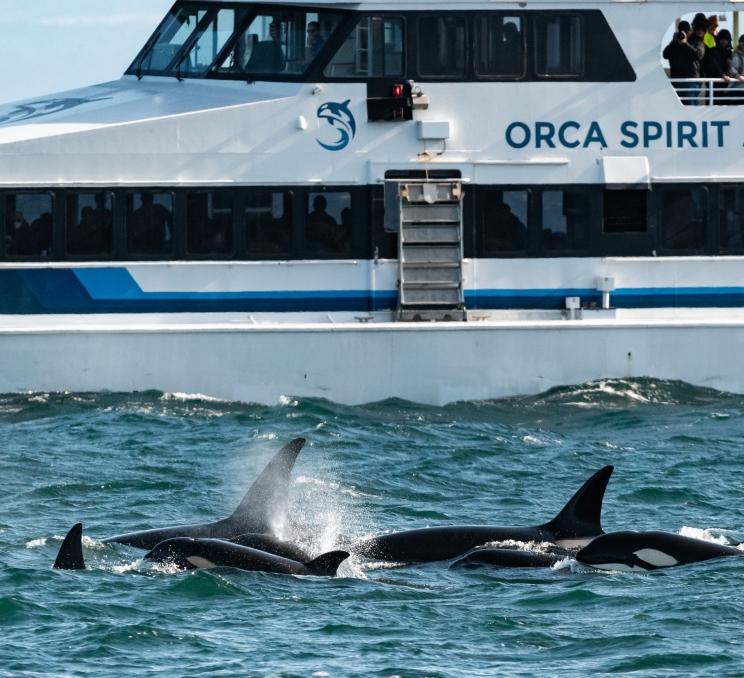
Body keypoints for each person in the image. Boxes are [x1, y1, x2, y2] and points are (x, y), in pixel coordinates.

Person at [663, 20, 703, 104]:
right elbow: (665, 54)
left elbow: (698, 55)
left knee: (691, 109)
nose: (684, 33)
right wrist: (673, 41)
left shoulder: (697, 42)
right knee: (676, 110)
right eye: (682, 31)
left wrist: (685, 43)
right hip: (677, 80)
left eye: (686, 31)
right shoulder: (674, 43)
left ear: (689, 32)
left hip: (691, 80)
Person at [702, 29, 734, 103]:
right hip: (713, 85)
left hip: (726, 86)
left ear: (729, 41)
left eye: (726, 39)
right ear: (718, 39)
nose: (723, 41)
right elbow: (714, 64)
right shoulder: (712, 51)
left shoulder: (730, 53)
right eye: (721, 39)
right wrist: (722, 75)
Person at [729, 34, 744, 104]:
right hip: (737, 88)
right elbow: (731, 69)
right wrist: (738, 76)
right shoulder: (735, 55)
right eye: (742, 42)